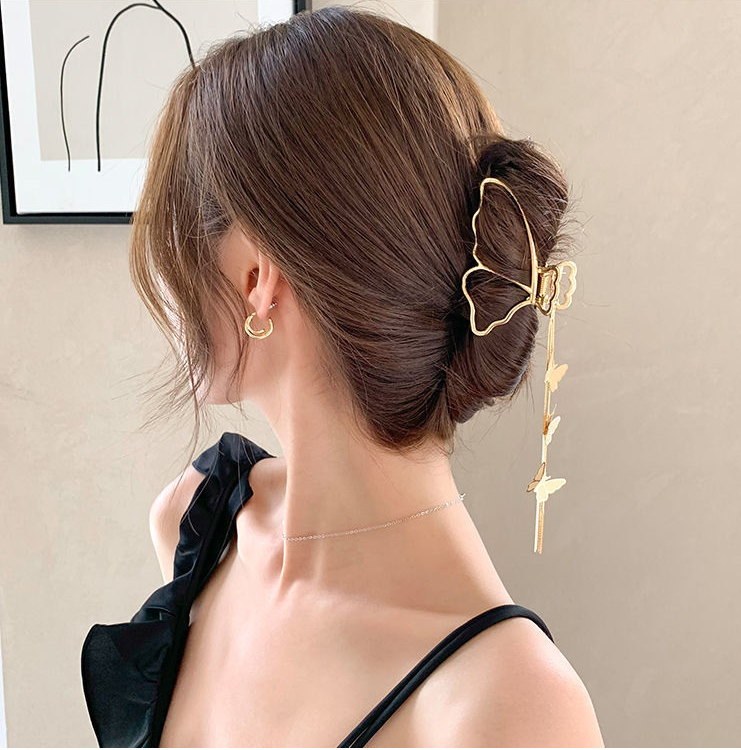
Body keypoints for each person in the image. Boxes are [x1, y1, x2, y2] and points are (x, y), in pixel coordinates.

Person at [82, 5, 603, 747]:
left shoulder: (510, 708)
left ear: (257, 278)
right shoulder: (197, 522)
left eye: (182, 235)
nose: (167, 284)